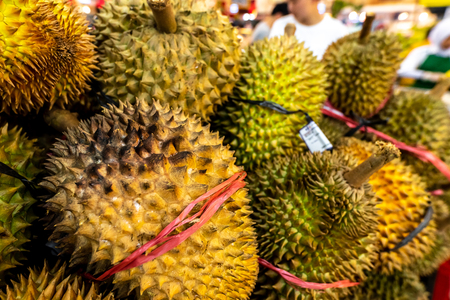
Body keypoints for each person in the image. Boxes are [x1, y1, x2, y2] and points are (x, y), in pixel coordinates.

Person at [269, 0, 348, 59]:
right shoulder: (280, 25)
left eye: (295, 2)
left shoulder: (338, 30)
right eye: (289, 2)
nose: (290, 8)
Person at [398, 18, 450, 89]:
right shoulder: (423, 51)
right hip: (420, 91)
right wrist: (426, 75)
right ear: (440, 36)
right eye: (448, 39)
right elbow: (402, 70)